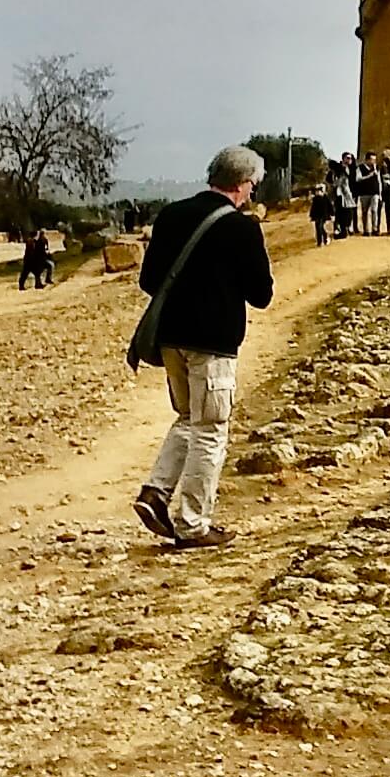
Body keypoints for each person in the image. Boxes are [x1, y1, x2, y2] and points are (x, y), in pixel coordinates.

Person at [133, 144, 273, 550]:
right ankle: (193, 524)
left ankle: (156, 492)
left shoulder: (171, 215)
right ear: (242, 183)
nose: (252, 193)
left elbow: (148, 280)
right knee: (211, 429)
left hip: (170, 337)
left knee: (188, 417)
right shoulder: (242, 228)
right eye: (252, 186)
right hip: (213, 343)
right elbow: (261, 295)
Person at [355, 153, 381, 235]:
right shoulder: (360, 168)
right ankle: (366, 230)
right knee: (365, 211)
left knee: (374, 210)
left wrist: (380, 193)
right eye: (372, 159)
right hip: (364, 193)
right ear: (367, 160)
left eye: (374, 160)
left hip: (375, 192)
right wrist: (369, 175)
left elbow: (379, 180)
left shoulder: (376, 168)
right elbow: (358, 179)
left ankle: (375, 229)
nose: (373, 161)